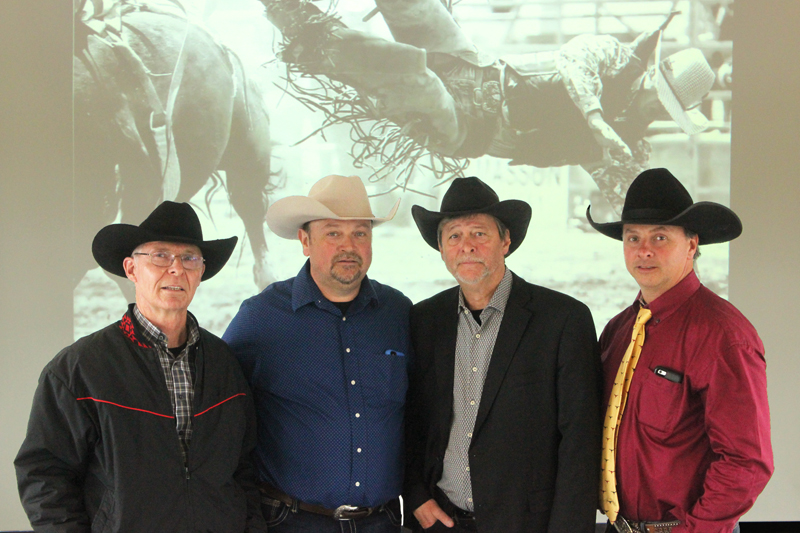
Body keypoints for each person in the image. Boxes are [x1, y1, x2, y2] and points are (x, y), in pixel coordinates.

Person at [260, 0, 715, 212]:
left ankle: (310, 35)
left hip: (467, 128)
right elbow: (574, 63)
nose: (655, 106)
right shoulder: (614, 56)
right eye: (661, 95)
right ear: (654, 78)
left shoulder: (629, 150)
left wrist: (632, 201)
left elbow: (625, 197)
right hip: (475, 70)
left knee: (411, 75)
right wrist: (600, 125)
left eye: (666, 108)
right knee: (414, 8)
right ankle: (292, 12)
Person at [15, 201, 266, 532]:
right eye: (160, 256)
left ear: (201, 272)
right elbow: (44, 475)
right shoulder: (79, 368)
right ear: (131, 269)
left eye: (189, 258)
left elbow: (243, 468)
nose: (176, 269)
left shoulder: (224, 362)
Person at [404, 176, 602, 532]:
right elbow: (412, 421)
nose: (466, 246)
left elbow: (580, 444)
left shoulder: (563, 319)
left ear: (505, 241)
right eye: (454, 236)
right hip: (442, 522)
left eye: (479, 233)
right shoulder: (424, 320)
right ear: (441, 248)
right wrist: (417, 495)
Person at [586, 168, 774, 533]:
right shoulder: (619, 330)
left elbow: (746, 461)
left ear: (691, 245)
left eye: (660, 237)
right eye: (632, 237)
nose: (643, 250)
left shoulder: (722, 334)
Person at [222, 174, 412, 532]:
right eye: (333, 233)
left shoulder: (397, 313)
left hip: (383, 522)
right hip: (292, 521)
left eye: (360, 233)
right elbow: (222, 416)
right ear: (305, 241)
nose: (349, 246)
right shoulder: (262, 318)